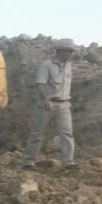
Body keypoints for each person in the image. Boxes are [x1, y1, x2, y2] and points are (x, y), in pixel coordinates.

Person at [23, 38, 77, 170]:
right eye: (69, 51)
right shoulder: (46, 65)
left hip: (64, 104)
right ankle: (28, 162)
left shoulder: (68, 65)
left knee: (67, 134)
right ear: (61, 51)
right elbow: (40, 84)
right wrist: (45, 100)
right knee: (37, 133)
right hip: (47, 104)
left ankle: (68, 162)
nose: (72, 54)